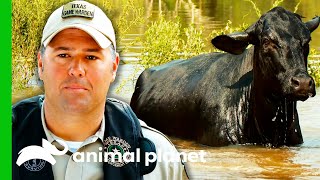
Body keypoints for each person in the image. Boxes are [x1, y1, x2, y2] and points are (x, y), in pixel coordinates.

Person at [12, 1, 188, 179]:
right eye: (63, 55)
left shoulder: (161, 159)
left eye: (91, 56)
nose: (76, 69)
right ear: (41, 64)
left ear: (114, 67)